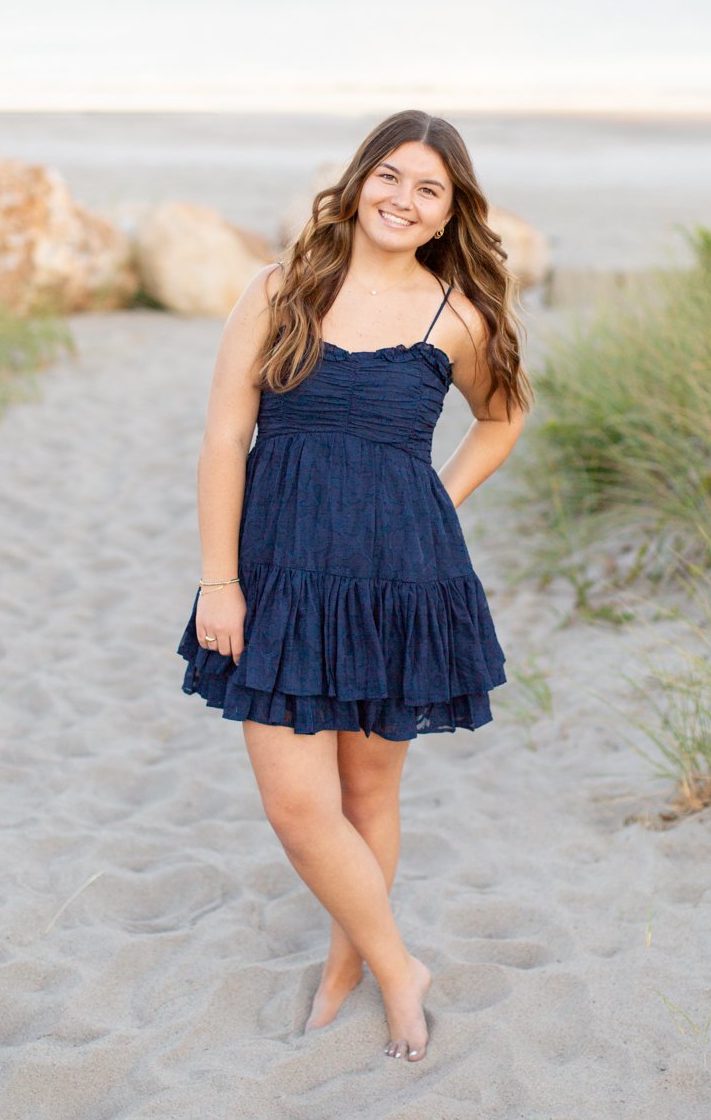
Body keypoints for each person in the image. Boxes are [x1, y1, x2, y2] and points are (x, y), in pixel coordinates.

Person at [177, 108, 532, 1063]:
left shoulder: (455, 314)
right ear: (360, 177)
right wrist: (219, 580)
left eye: (430, 190)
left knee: (369, 796)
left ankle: (349, 967)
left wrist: (437, 503)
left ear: (449, 211)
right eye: (391, 176)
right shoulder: (282, 288)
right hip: (279, 575)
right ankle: (398, 963)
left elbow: (502, 420)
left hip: (398, 578)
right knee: (299, 806)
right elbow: (222, 440)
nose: (403, 200)